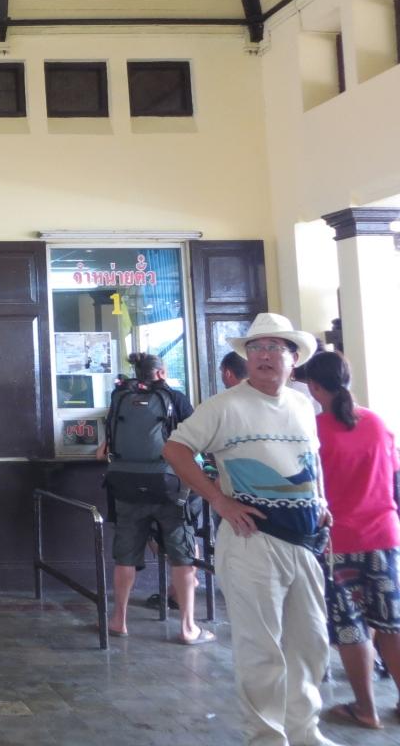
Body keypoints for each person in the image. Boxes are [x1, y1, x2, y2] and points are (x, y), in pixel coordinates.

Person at [162, 313, 340, 746]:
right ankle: (266, 737)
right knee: (261, 649)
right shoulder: (225, 406)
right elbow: (176, 448)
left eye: (275, 348)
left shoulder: (303, 404)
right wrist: (218, 499)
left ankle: (304, 732)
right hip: (251, 541)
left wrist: (320, 501)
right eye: (256, 348)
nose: (264, 355)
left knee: (311, 642)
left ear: (293, 359)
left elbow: (308, 460)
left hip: (305, 543)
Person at [304, 351, 400, 731]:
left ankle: (365, 709)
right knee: (390, 624)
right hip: (385, 537)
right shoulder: (377, 423)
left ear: (313, 387)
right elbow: (394, 476)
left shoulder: (314, 431)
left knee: (351, 627)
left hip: (339, 543)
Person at [95, 351, 206, 643]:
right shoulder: (176, 398)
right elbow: (197, 442)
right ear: (161, 373)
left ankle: (118, 620)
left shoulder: (120, 398)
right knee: (183, 556)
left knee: (125, 556)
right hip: (169, 486)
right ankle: (188, 627)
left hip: (126, 485)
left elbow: (105, 445)